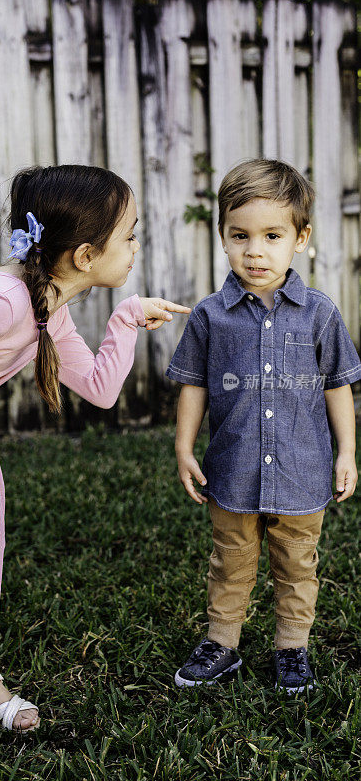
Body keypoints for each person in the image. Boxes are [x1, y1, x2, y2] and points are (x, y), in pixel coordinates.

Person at [0, 164, 191, 732]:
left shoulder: (47, 307)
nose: (136, 247)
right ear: (85, 255)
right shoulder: (1, 300)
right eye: (130, 235)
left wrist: (127, 319)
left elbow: (100, 389)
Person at [166, 158, 361, 695]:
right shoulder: (210, 315)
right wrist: (185, 448)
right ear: (223, 238)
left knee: (297, 564)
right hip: (231, 471)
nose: (255, 250)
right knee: (231, 560)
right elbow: (194, 385)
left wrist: (347, 453)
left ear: (300, 238)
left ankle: (292, 647)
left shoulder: (319, 313)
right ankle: (221, 644)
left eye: (272, 235)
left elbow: (337, 385)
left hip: (302, 473)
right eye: (240, 235)